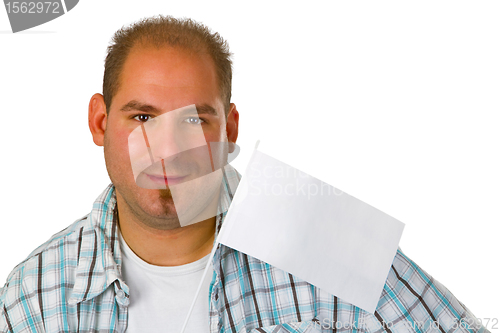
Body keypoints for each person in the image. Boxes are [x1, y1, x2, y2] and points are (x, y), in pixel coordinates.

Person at [0, 16, 489, 333]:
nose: (168, 151)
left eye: (194, 119)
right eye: (143, 118)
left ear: (229, 128)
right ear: (101, 123)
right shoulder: (34, 297)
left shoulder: (323, 237)